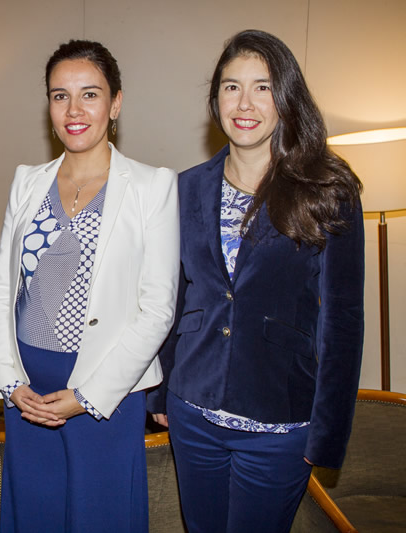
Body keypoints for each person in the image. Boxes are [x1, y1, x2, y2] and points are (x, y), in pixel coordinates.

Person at [147, 29, 365, 533]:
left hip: (280, 422)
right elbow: (173, 299)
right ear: (215, 99)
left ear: (285, 97)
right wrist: (159, 395)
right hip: (193, 411)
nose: (244, 103)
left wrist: (328, 433)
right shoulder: (186, 188)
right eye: (231, 87)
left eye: (262, 87)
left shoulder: (327, 190)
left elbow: (343, 321)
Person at [0, 40, 180, 532]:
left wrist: (88, 396)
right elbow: (1, 288)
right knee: (35, 513)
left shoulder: (152, 186)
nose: (74, 110)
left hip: (106, 389)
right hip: (29, 390)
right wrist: (9, 382)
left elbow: (157, 309)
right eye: (60, 96)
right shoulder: (27, 181)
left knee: (101, 515)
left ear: (115, 103)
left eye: (89, 94)